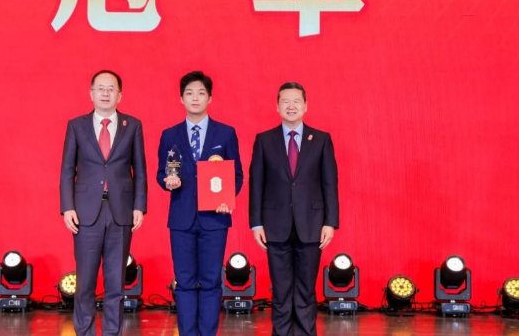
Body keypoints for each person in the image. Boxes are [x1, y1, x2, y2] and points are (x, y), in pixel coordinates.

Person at [60, 70, 147, 336]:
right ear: (91, 93)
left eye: (111, 89)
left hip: (120, 211)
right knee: (85, 282)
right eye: (101, 88)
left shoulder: (132, 126)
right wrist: (67, 207)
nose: (106, 93)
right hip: (85, 213)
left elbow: (140, 170)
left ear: (120, 95)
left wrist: (139, 206)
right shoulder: (77, 126)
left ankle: (112, 332)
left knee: (116, 283)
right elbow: (67, 170)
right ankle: (84, 332)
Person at [156, 71, 243, 336]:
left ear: (210, 98)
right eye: (189, 93)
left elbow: (236, 175)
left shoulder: (225, 133)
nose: (195, 98)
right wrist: (167, 181)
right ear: (181, 98)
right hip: (181, 219)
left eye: (201, 93)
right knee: (184, 282)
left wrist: (226, 199)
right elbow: (161, 173)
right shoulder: (169, 134)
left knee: (210, 282)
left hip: (215, 218)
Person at [249, 82, 338, 336]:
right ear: (277, 107)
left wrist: (330, 222)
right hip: (275, 225)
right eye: (285, 101)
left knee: (306, 290)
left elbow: (330, 183)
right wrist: (256, 223)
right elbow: (256, 183)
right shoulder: (264, 140)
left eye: (296, 101)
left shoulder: (321, 140)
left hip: (311, 225)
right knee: (281, 290)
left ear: (306, 106)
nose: (291, 106)